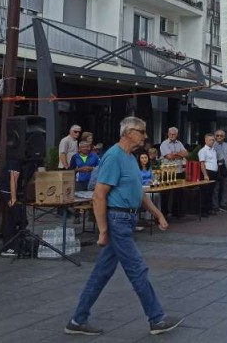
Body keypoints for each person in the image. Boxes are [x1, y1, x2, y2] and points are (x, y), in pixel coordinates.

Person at [66, 117, 181, 337]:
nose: (145, 136)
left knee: (102, 273)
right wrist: (103, 230)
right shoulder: (113, 156)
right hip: (117, 220)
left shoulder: (130, 158)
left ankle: (77, 319)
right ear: (128, 132)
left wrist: (157, 214)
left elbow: (138, 191)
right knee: (137, 268)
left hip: (126, 219)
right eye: (142, 131)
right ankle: (156, 318)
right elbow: (99, 196)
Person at [0, 159, 37, 257]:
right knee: (14, 216)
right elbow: (13, 180)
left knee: (18, 218)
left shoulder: (30, 161)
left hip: (13, 190)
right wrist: (13, 198)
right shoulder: (16, 160)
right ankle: (8, 247)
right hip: (6, 190)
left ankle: (16, 243)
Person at [159, 127, 188, 217]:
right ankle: (164, 213)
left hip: (179, 171)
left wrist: (175, 154)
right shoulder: (164, 144)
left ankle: (176, 212)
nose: (171, 136)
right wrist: (179, 154)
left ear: (177, 135)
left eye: (173, 134)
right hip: (167, 171)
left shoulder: (179, 143)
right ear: (168, 134)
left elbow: (186, 153)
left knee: (178, 193)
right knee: (166, 193)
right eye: (170, 134)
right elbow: (169, 156)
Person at [198, 133, 217, 217]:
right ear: (206, 140)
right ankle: (203, 211)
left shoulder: (214, 150)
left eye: (213, 140)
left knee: (211, 192)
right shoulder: (203, 151)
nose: (212, 141)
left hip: (214, 172)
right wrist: (205, 175)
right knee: (205, 192)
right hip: (207, 172)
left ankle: (208, 209)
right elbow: (202, 164)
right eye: (210, 140)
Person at [213, 129, 227, 213]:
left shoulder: (226, 145)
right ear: (215, 136)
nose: (219, 137)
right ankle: (215, 206)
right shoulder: (213, 145)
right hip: (217, 170)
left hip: (226, 170)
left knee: (226, 188)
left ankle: (223, 205)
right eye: (217, 135)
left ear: (224, 137)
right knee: (216, 189)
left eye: (221, 135)